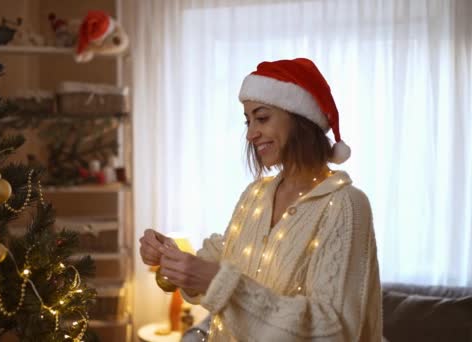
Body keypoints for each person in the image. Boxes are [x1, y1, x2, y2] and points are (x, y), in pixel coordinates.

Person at [139, 58, 383, 341]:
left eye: (262, 117)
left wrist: (220, 283)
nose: (250, 133)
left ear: (300, 118)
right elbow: (226, 255)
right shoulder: (255, 195)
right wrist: (174, 258)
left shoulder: (346, 206)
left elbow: (333, 330)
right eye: (248, 120)